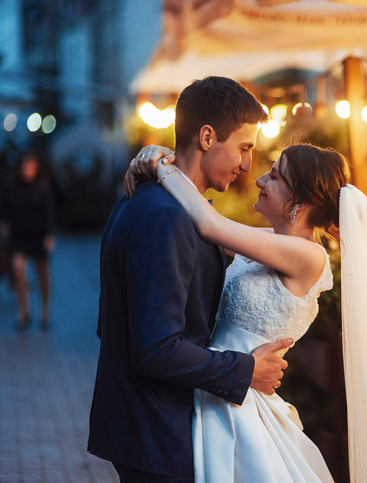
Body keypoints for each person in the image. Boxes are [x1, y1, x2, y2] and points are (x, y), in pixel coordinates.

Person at [127, 142, 367, 482]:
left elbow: (208, 224)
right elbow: (198, 225)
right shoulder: (269, 240)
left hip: (240, 399)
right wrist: (149, 161)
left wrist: (162, 167)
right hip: (217, 380)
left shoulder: (309, 257)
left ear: (301, 203)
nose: (260, 179)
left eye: (275, 176)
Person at [88, 76, 292, 483]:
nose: (248, 165)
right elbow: (156, 349)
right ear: (206, 136)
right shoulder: (167, 218)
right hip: (154, 429)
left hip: (148, 421)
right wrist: (245, 371)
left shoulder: (153, 198)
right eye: (244, 148)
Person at [0, 151, 55, 330]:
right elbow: (5, 208)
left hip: (37, 235)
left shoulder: (42, 187)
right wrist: (5, 224)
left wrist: (48, 235)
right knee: (18, 270)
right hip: (18, 235)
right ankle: (24, 311)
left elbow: (49, 213)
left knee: (42, 273)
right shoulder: (11, 186)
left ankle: (45, 310)